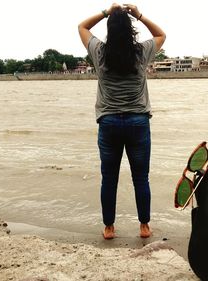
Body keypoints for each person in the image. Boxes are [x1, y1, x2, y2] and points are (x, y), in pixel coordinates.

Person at [78, 3, 166, 239]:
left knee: (109, 178)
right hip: (138, 123)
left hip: (109, 124)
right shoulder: (141, 52)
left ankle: (109, 228)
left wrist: (108, 11)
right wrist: (137, 14)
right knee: (141, 178)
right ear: (131, 30)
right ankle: (144, 226)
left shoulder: (99, 52)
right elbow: (161, 34)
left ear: (109, 29)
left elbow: (82, 26)